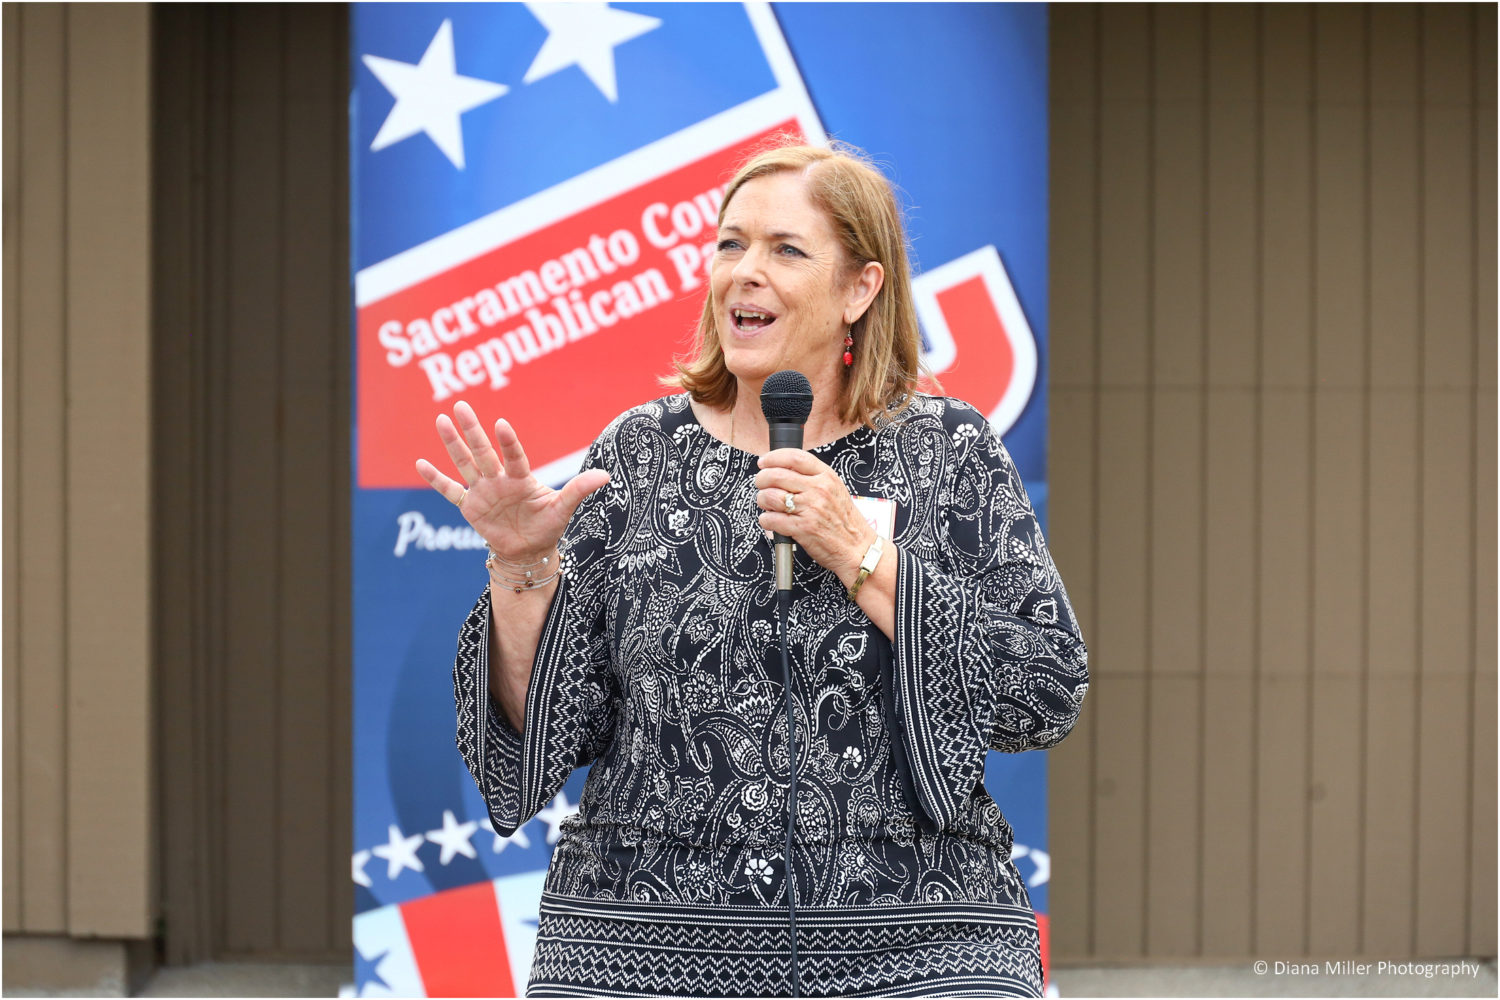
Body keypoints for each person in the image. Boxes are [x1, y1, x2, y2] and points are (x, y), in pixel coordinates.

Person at [417, 140, 1089, 998]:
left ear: (860, 289)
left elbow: (1044, 691)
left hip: (918, 922)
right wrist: (521, 568)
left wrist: (863, 555)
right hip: (642, 927)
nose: (745, 271)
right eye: (730, 244)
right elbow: (547, 733)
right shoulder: (639, 454)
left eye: (786, 249)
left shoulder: (947, 452)